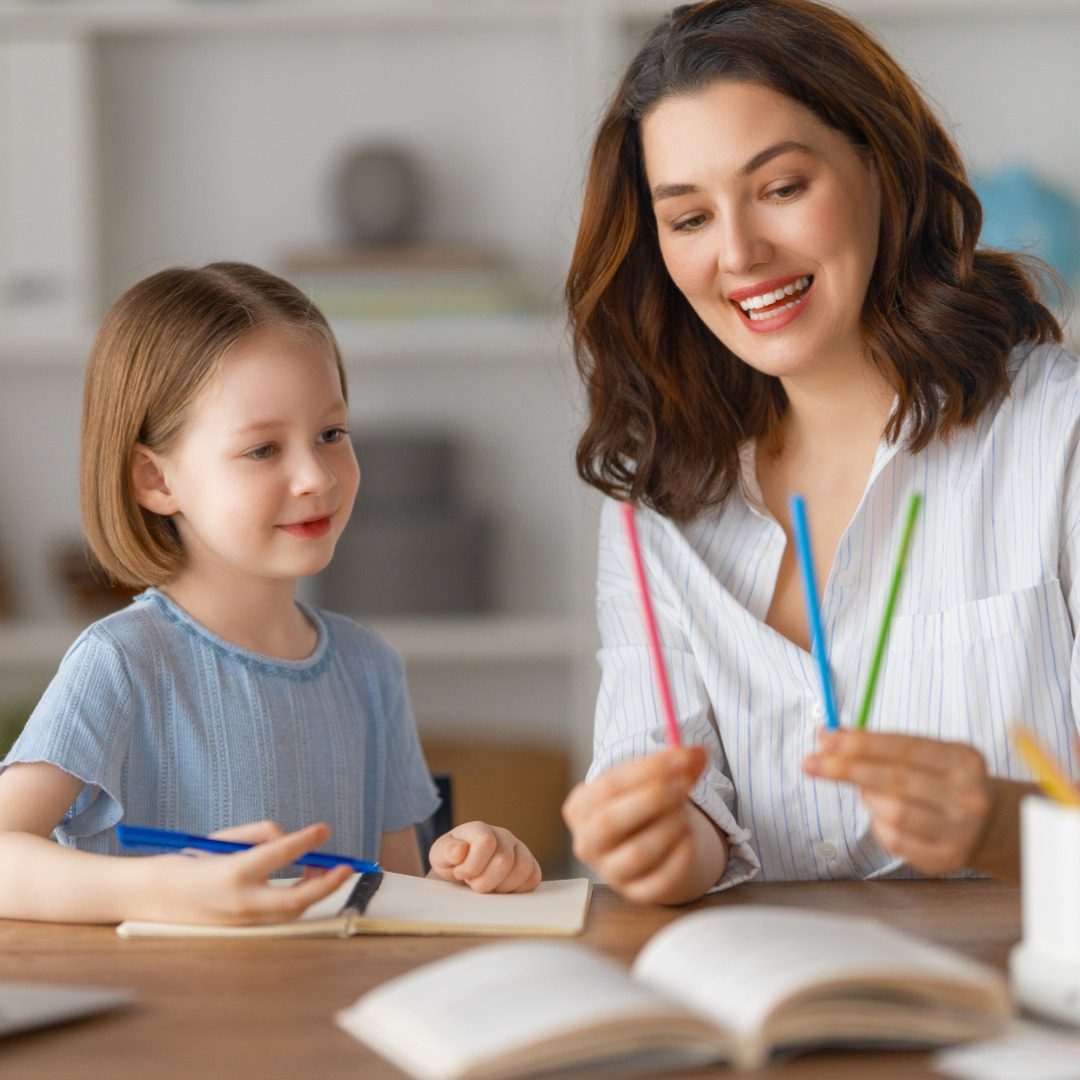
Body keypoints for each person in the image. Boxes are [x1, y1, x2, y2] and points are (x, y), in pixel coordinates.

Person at [561, 0, 1078, 905]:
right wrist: (662, 844)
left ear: (881, 168)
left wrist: (1003, 825)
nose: (741, 253)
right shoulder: (656, 509)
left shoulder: (1057, 439)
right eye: (688, 219)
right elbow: (669, 796)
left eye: (782, 188)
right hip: (777, 1029)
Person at [0, 262, 541, 925]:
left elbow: (394, 901)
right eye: (262, 450)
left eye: (331, 434)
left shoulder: (370, 669)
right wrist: (161, 891)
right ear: (154, 479)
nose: (316, 476)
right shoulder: (121, 663)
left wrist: (473, 865)